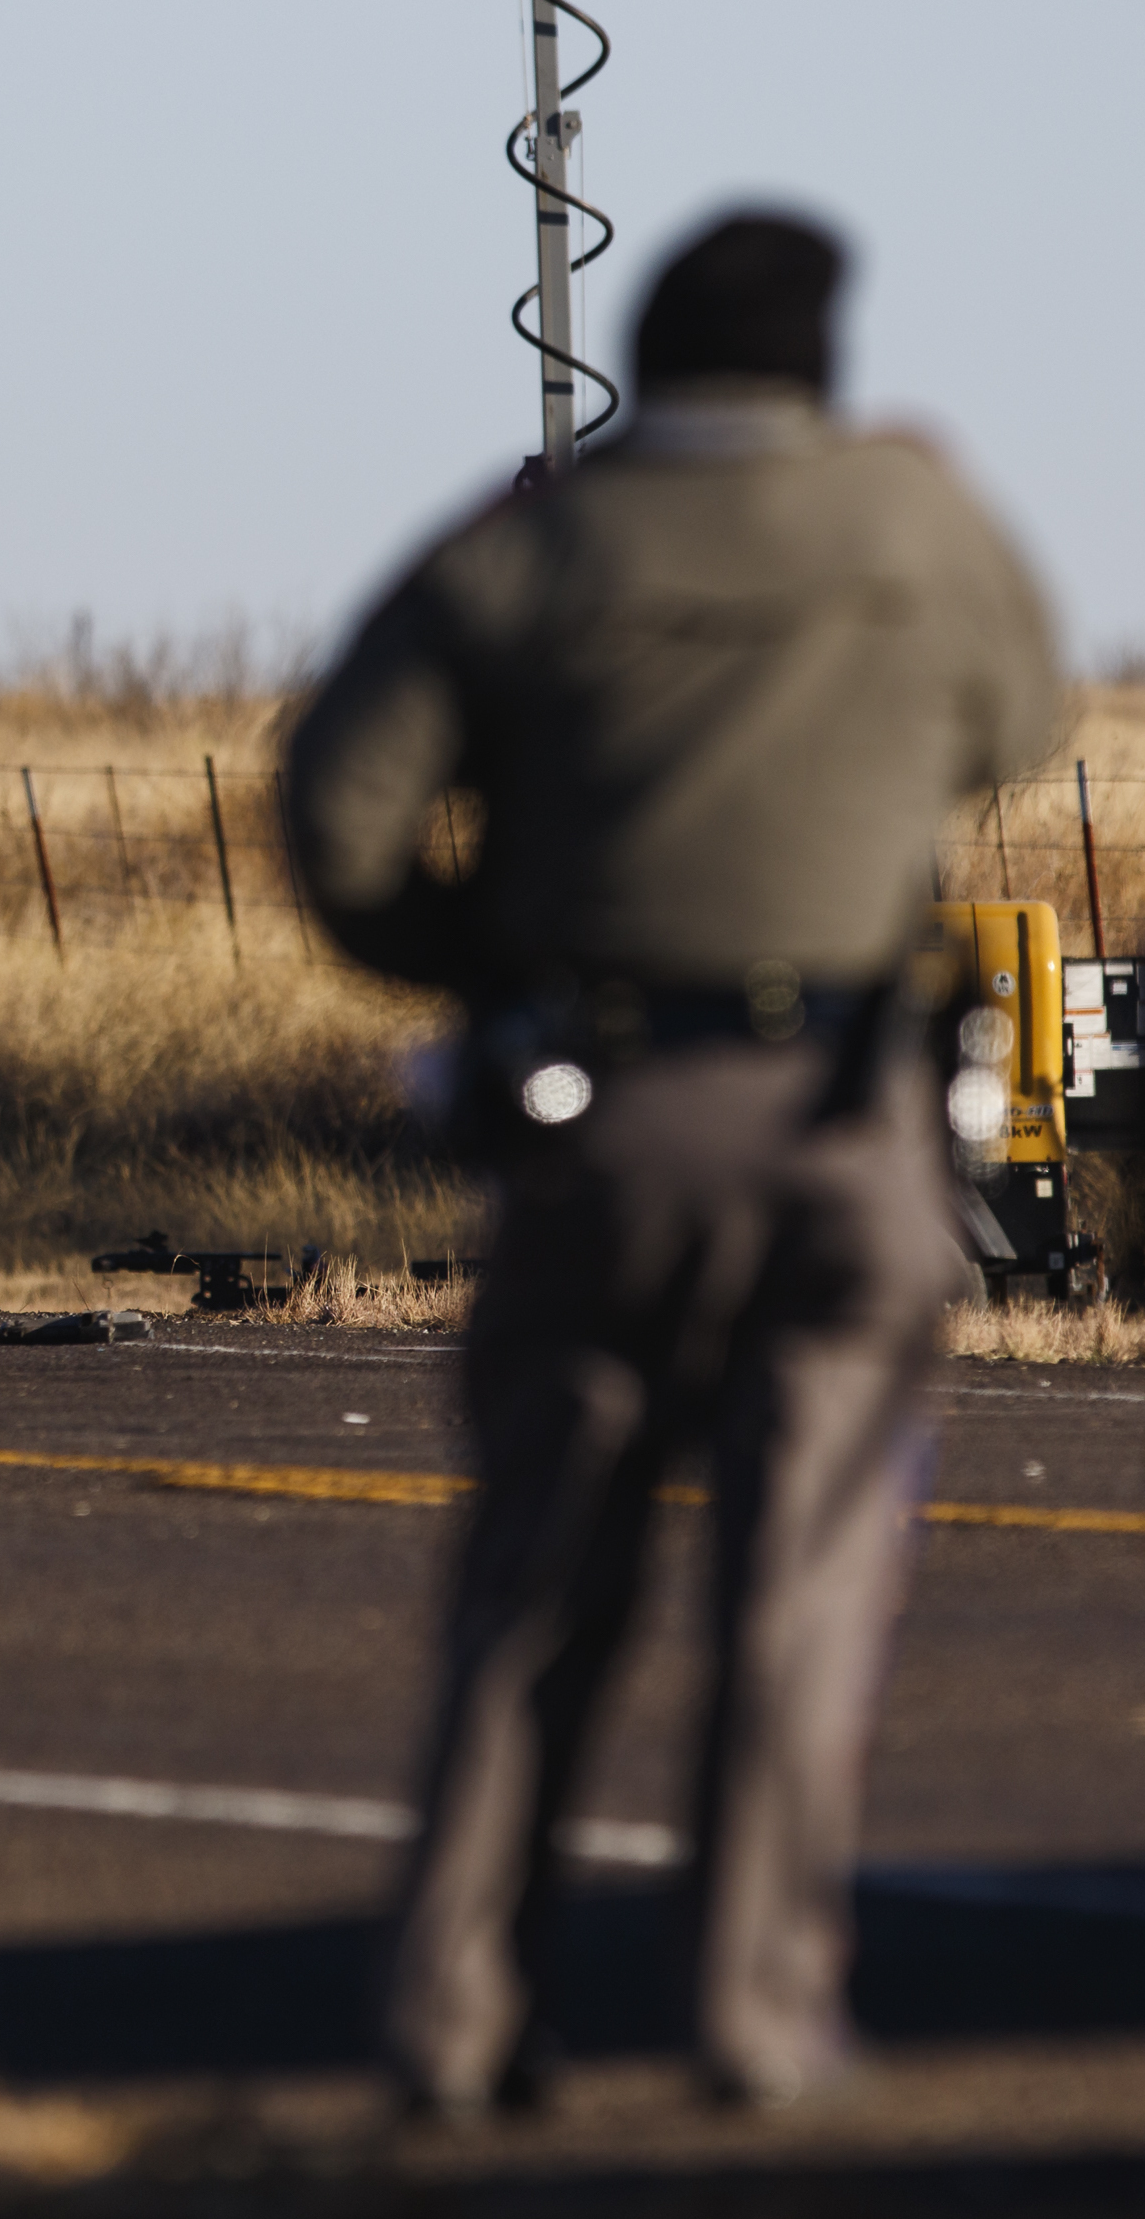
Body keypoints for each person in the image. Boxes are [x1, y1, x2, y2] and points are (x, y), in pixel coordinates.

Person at [282, 211, 1059, 2113]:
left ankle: (457, 2022)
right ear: (821, 360)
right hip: (842, 1124)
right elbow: (1021, 722)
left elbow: (338, 812)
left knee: (538, 1584)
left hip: (600, 1118)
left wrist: (487, 963)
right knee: (798, 1594)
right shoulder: (910, 525)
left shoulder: (529, 541)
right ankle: (755, 2015)